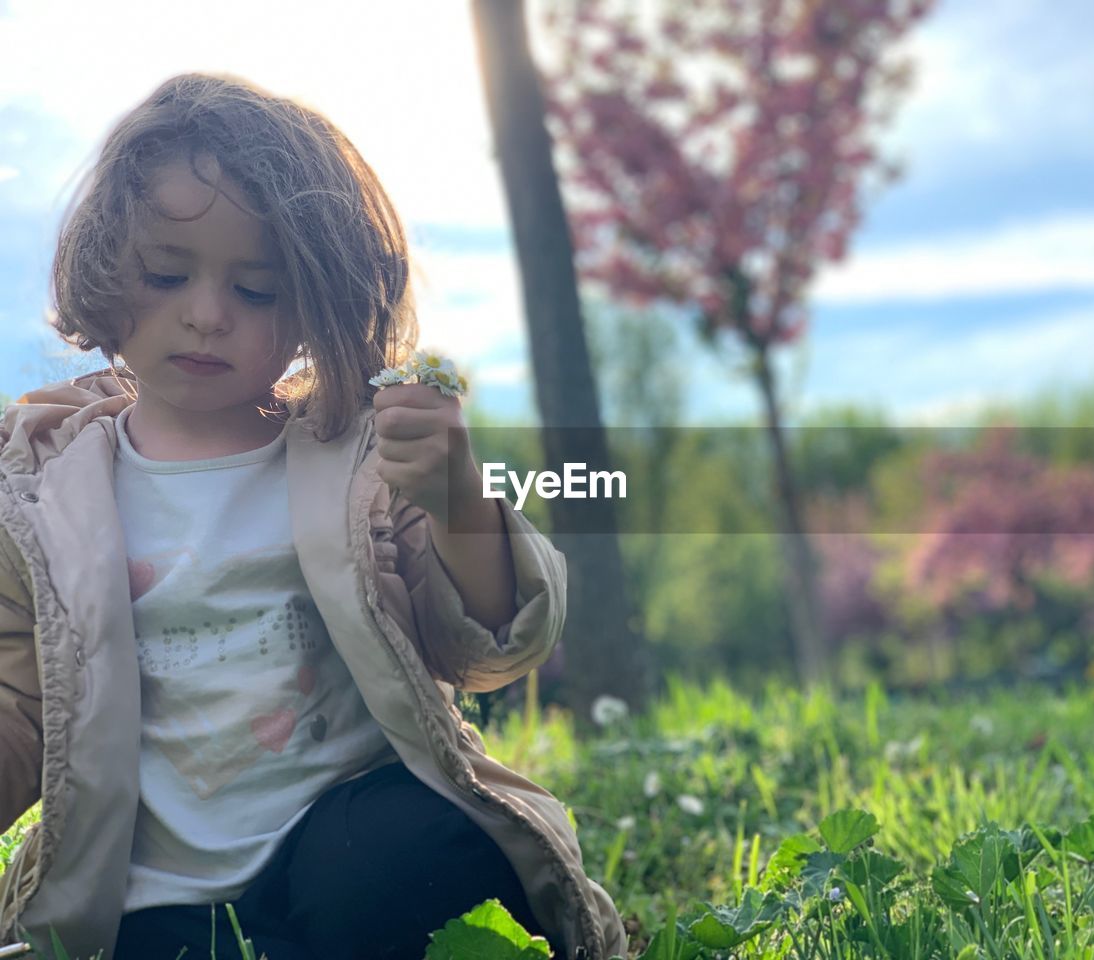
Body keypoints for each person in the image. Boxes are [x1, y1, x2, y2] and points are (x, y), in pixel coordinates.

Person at [0, 72, 627, 960]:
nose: (209, 314)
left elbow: (490, 647)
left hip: (349, 841)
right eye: (167, 273)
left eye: (257, 288)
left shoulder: (360, 456)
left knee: (432, 855)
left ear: (314, 306)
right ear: (105, 271)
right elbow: (21, 710)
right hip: (152, 896)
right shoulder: (40, 496)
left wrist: (455, 497)